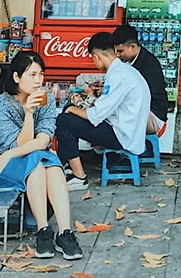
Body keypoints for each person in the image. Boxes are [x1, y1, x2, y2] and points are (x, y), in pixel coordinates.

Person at [0, 52, 83, 261]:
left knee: (50, 164)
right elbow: (22, 143)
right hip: (1, 166)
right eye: (32, 75)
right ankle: (43, 231)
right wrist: (28, 113)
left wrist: (9, 154)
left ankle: (65, 233)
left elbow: (42, 141)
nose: (38, 80)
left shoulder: (45, 99)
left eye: (41, 74)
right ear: (16, 77)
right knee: (40, 162)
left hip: (19, 157)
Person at [56, 32, 151, 191]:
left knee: (64, 121)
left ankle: (79, 177)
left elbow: (95, 116)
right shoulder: (125, 71)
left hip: (123, 135)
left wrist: (72, 109)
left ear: (96, 56)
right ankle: (68, 166)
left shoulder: (118, 76)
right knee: (70, 117)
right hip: (129, 130)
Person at [111, 25, 167, 134]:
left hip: (153, 115)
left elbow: (141, 98)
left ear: (132, 47)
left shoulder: (150, 65)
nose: (117, 55)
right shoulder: (125, 61)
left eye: (120, 51)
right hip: (135, 110)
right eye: (116, 51)